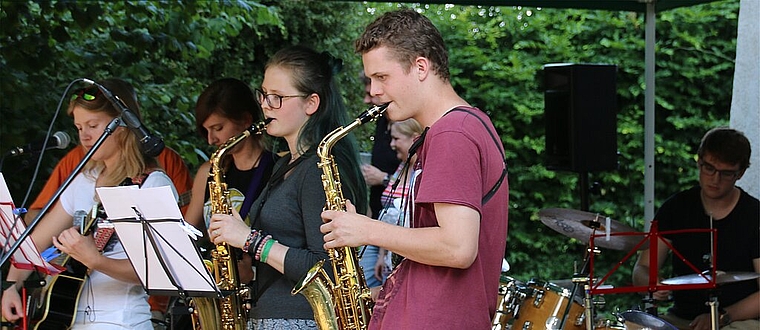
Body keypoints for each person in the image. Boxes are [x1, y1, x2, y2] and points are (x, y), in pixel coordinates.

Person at [320, 9, 509, 329]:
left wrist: (366, 229)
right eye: (371, 79)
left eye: (382, 77)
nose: (374, 91)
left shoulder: (453, 133)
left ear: (421, 66)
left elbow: (457, 247)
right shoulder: (467, 124)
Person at [207, 45, 367, 330]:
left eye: (277, 97)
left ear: (311, 103)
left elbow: (327, 268)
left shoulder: (319, 170)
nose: (265, 105)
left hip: (302, 320)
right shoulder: (287, 164)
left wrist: (250, 240)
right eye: (264, 94)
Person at [1, 78, 179, 329]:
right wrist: (12, 285)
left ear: (123, 125)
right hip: (68, 319)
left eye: (93, 126)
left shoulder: (151, 184)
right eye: (78, 127)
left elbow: (162, 272)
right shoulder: (83, 180)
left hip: (123, 321)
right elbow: (31, 244)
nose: (84, 135)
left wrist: (96, 261)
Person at [632, 127, 759, 330]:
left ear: (740, 173)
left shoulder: (755, 216)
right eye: (709, 168)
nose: (715, 179)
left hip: (736, 320)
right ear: (699, 162)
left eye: (726, 173)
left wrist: (722, 317)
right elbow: (643, 267)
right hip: (681, 318)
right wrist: (651, 283)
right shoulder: (676, 207)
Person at [185, 77, 276, 239]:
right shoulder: (208, 172)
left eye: (218, 128)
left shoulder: (277, 170)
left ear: (246, 120)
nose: (211, 140)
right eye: (206, 131)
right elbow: (187, 235)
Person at [359, 118, 423, 299]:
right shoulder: (402, 166)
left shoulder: (422, 170)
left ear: (414, 138)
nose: (392, 144)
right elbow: (389, 215)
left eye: (396, 139)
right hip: (387, 251)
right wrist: (382, 254)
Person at [359, 72, 400, 220]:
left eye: (370, 95)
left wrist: (383, 178)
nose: (366, 100)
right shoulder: (381, 121)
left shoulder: (409, 127)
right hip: (377, 215)